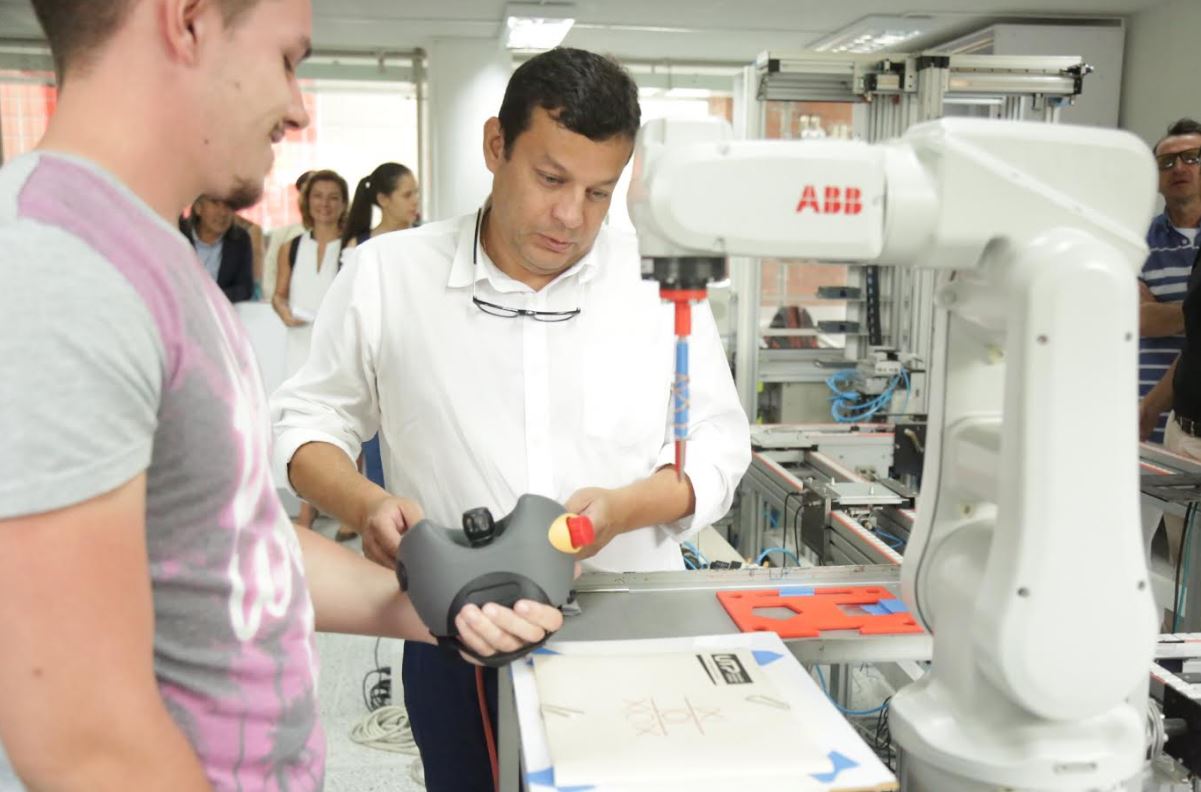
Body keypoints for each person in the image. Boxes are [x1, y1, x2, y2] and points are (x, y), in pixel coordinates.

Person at [0, 2, 562, 790]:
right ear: (188, 21)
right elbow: (83, 740)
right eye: (286, 60)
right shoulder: (58, 272)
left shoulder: (147, 260)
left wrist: (447, 604)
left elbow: (229, 542)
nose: (297, 108)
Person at [271, 47, 751, 792]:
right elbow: (307, 423)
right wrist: (363, 503)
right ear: (496, 145)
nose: (570, 216)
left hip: (622, 623)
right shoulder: (389, 275)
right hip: (449, 626)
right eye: (550, 179)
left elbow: (716, 443)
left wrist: (625, 509)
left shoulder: (655, 286)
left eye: (598, 192)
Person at [1139, 118, 1201, 443]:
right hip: (1145, 417)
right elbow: (1138, 318)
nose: (1178, 168)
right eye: (1166, 162)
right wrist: (1195, 312)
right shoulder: (1135, 239)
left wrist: (1164, 312)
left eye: (1192, 158)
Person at [182, 194, 256, 302]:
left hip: (220, 307)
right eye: (215, 203)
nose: (223, 213)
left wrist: (211, 299)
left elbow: (245, 289)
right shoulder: (178, 232)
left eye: (229, 205)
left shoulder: (239, 239)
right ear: (198, 207)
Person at [341, 161, 421, 250]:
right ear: (382, 199)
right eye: (407, 195)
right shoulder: (359, 246)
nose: (415, 201)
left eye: (416, 193)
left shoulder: (426, 236)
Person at [263, 169, 313, 300]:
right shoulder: (283, 234)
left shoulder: (342, 237)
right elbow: (270, 272)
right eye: (304, 193)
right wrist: (277, 302)